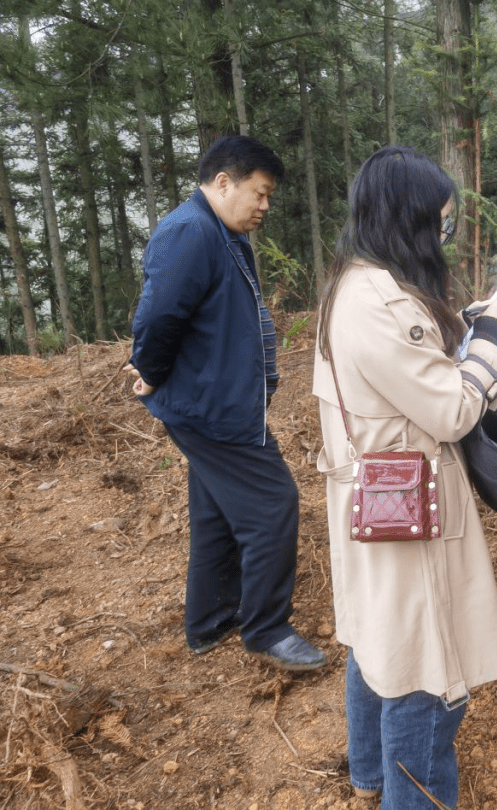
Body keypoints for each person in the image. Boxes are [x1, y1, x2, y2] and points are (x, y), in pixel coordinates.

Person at [312, 145, 497, 808]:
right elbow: (453, 409)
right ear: (410, 221)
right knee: (427, 672)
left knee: (379, 639)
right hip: (413, 512)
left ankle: (369, 775)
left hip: (371, 496)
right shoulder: (379, 302)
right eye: (442, 224)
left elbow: (406, 379)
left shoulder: (352, 282)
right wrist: (492, 341)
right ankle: (409, 793)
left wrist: (459, 335)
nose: (446, 238)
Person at [126, 136, 325, 672]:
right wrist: (150, 371)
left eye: (269, 196)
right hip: (213, 408)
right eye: (259, 193)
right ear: (222, 183)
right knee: (273, 505)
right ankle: (266, 628)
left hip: (219, 401)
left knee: (216, 508)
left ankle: (210, 621)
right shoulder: (191, 232)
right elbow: (157, 317)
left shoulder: (221, 233)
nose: (265, 205)